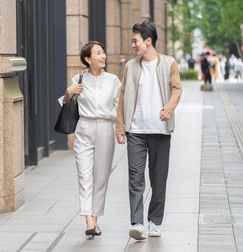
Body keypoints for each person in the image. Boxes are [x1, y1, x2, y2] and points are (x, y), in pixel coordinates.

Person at [115, 20, 182, 240]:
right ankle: (137, 223)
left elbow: (176, 89)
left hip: (160, 131)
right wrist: (120, 126)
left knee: (158, 179)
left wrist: (169, 107)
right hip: (136, 131)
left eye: (135, 41)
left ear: (148, 41)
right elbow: (123, 96)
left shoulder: (169, 63)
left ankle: (155, 221)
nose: (133, 45)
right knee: (135, 177)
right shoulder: (131, 66)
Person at [60, 41, 121, 237]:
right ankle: (88, 219)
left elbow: (119, 105)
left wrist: (121, 128)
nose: (103, 56)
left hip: (105, 127)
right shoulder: (77, 79)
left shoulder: (113, 80)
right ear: (88, 59)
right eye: (98, 53)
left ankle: (95, 216)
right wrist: (69, 93)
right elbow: (66, 102)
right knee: (84, 175)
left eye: (103, 52)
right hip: (84, 127)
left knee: (101, 176)